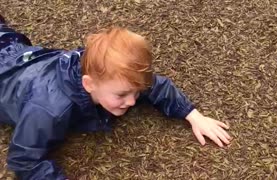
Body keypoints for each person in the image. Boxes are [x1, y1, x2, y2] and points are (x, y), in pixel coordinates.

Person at [0, 15, 231, 180]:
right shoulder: (49, 108)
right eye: (122, 95)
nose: (131, 101)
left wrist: (193, 115)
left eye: (135, 93)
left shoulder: (111, 75)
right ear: (88, 84)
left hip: (19, 54)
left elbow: (156, 85)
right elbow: (23, 159)